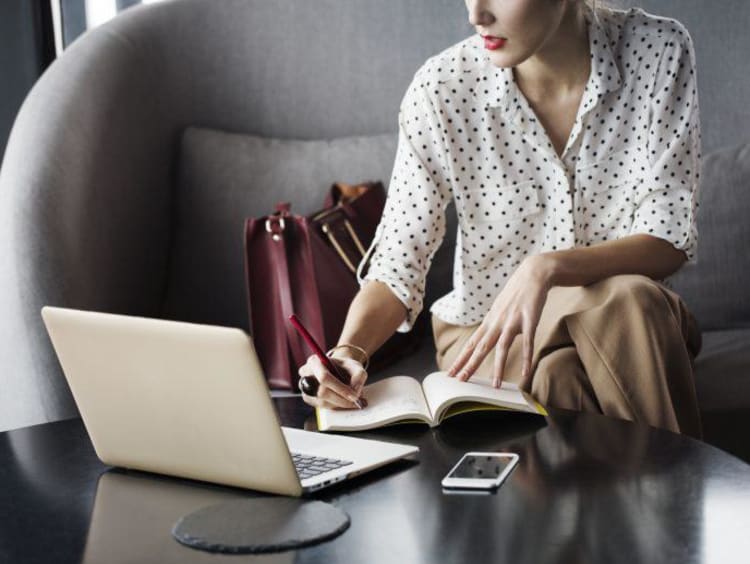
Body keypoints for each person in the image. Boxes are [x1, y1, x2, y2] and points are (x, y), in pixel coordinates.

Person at [298, 0, 703, 438]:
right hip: (487, 335)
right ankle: (676, 496)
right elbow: (397, 262)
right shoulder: (442, 89)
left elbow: (668, 237)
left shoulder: (657, 49)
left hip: (632, 326)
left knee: (625, 303)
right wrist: (347, 353)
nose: (477, 14)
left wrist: (547, 268)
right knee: (560, 374)